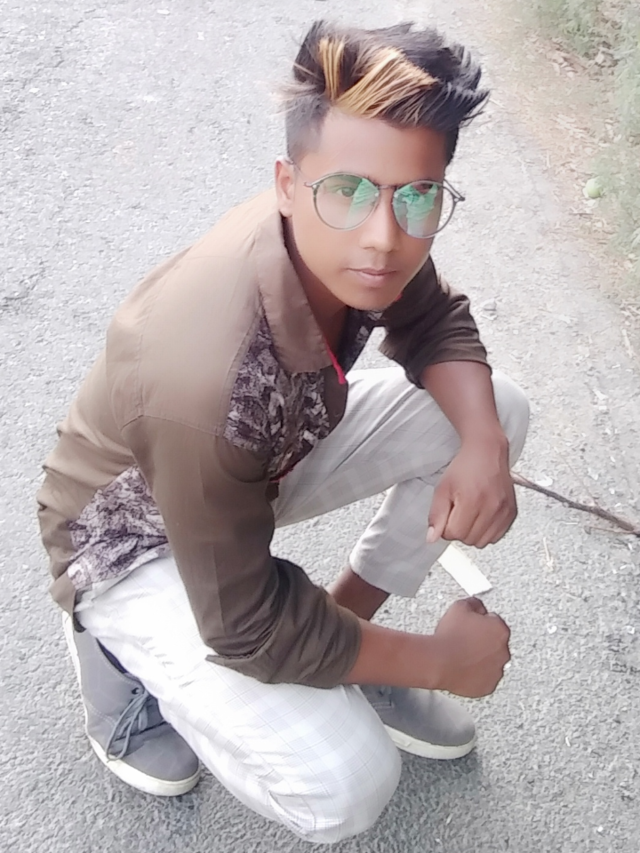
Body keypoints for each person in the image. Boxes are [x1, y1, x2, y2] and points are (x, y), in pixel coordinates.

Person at [37, 20, 529, 844]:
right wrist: (440, 659)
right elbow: (248, 625)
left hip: (258, 458)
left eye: (417, 196)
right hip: (131, 532)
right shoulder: (199, 374)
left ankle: (345, 636)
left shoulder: (362, 234)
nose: (383, 236)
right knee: (348, 784)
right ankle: (117, 643)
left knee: (497, 407)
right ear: (287, 184)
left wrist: (483, 443)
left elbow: (434, 318)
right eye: (349, 192)